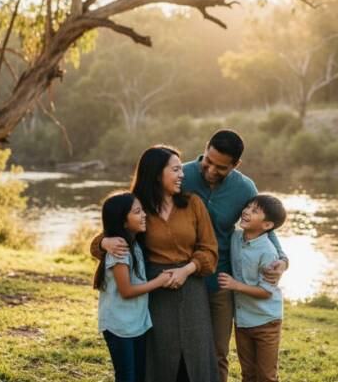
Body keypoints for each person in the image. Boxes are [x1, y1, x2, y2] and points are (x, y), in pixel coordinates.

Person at [93, 130, 289, 382]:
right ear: (205, 148)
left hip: (217, 279)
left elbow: (265, 225)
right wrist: (104, 242)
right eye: (208, 161)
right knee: (162, 352)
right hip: (160, 285)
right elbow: (116, 228)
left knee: (212, 353)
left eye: (220, 167)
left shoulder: (242, 189)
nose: (209, 170)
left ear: (235, 165)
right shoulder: (172, 179)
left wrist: (282, 260)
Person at [93, 145, 219, 382]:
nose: (182, 175)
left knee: (197, 358)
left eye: (181, 170)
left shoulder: (193, 204)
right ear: (156, 173)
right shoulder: (137, 207)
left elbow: (210, 251)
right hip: (154, 292)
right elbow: (108, 235)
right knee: (161, 358)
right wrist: (104, 243)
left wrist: (186, 270)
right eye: (175, 170)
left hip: (192, 289)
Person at [93, 191, 172, 382]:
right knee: (127, 376)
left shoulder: (135, 244)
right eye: (137, 212)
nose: (144, 215)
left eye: (142, 210)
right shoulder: (119, 249)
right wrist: (158, 282)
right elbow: (126, 291)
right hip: (119, 325)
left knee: (139, 374)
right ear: (123, 221)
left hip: (135, 323)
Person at [218, 194, 286, 382]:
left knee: (266, 376)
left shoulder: (268, 252)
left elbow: (265, 292)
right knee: (248, 374)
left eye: (254, 211)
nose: (246, 211)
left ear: (267, 225)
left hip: (266, 322)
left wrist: (235, 285)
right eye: (248, 207)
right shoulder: (235, 238)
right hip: (243, 322)